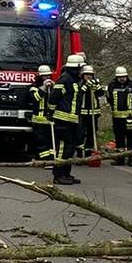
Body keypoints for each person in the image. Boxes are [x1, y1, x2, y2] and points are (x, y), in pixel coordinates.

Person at [49, 54, 82, 185]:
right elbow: (53, 98)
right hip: (63, 120)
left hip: (72, 119)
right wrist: (50, 112)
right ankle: (58, 175)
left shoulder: (74, 79)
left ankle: (66, 173)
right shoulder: (64, 79)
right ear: (76, 67)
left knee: (70, 148)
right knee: (62, 148)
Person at [107, 65, 132, 165]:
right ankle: (120, 159)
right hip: (117, 118)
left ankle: (131, 159)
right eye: (120, 77)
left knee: (131, 137)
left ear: (127, 76)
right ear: (116, 77)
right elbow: (109, 99)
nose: (122, 79)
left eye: (123, 76)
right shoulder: (111, 86)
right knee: (119, 138)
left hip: (130, 117)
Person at [29, 64, 55, 160]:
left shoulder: (52, 87)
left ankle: (51, 158)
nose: (47, 78)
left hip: (49, 118)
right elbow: (36, 98)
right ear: (40, 76)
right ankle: (43, 159)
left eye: (48, 76)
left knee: (51, 140)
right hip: (38, 119)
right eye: (44, 76)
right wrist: (43, 88)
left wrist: (53, 88)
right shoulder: (34, 87)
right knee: (41, 140)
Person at [77, 64, 104, 156]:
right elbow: (79, 94)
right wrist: (85, 86)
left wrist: (96, 87)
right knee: (80, 133)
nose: (89, 76)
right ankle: (80, 153)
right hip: (82, 113)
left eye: (90, 74)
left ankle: (89, 152)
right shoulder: (79, 83)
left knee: (92, 133)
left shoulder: (95, 83)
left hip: (93, 113)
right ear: (83, 75)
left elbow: (101, 93)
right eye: (86, 74)